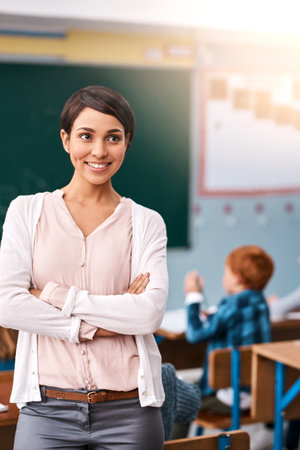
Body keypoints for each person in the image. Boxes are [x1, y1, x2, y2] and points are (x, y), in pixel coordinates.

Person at [0, 85, 168, 449]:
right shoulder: (26, 212)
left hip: (130, 412)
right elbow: (9, 304)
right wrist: (94, 326)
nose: (99, 151)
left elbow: (147, 315)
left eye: (113, 138)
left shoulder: (146, 222)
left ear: (127, 143)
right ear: (66, 139)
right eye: (86, 136)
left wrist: (53, 296)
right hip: (46, 410)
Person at [184, 245, 274, 415]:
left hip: (230, 396)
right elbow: (238, 321)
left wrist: (193, 296)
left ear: (238, 278)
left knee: (178, 398)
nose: (223, 277)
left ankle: (175, 443)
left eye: (226, 273)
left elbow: (194, 335)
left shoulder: (232, 304)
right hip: (258, 391)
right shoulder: (262, 302)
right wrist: (214, 315)